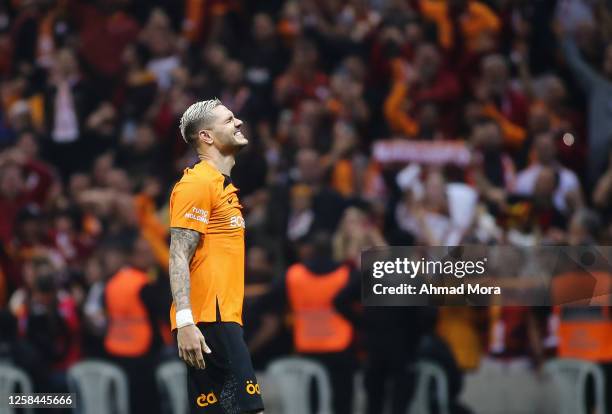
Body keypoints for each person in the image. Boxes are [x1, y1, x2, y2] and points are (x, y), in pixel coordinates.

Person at [168, 99, 264, 413]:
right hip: (211, 322)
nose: (238, 123)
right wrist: (186, 323)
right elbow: (178, 254)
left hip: (217, 321)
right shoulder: (196, 183)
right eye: (228, 120)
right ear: (206, 137)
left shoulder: (224, 187)